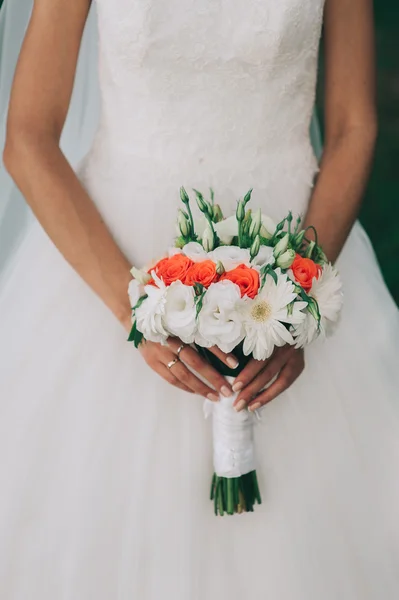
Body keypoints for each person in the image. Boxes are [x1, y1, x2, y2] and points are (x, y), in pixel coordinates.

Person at [0, 0, 398, 598]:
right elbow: (28, 136)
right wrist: (138, 310)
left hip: (294, 253)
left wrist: (298, 298)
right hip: (111, 270)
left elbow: (351, 125)